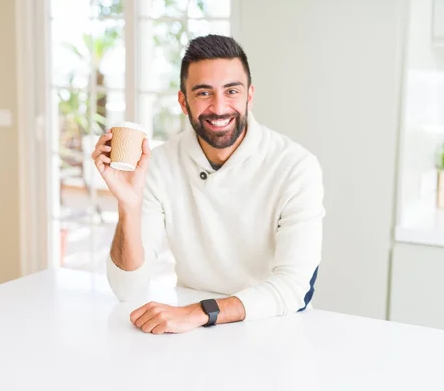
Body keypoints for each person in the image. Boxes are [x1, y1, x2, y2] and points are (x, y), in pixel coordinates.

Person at [91, 34, 324, 335]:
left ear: (249, 96)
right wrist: (128, 205)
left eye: (232, 91)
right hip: (193, 336)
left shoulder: (295, 166)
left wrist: (201, 312)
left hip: (274, 327)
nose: (219, 107)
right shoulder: (159, 164)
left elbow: (295, 287)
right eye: (203, 93)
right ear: (182, 101)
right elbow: (126, 289)